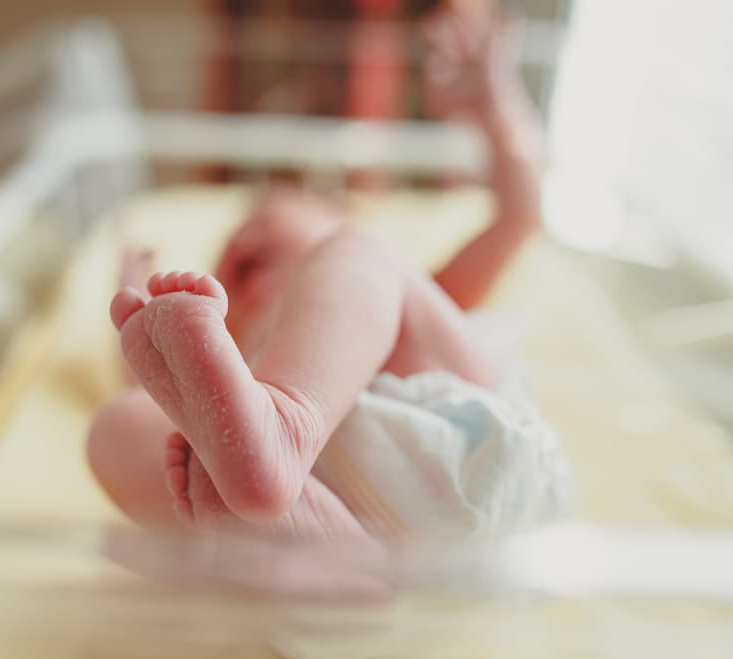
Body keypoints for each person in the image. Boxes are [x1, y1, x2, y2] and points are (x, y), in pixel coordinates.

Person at [87, 6, 567, 544]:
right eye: (228, 258)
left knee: (365, 255)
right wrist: (145, 335)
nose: (238, 241)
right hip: (353, 530)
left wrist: (495, 106)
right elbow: (163, 394)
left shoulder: (389, 288)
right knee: (117, 427)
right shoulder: (238, 372)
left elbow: (519, 217)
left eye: (266, 218)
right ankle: (314, 553)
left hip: (471, 457)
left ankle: (290, 429)